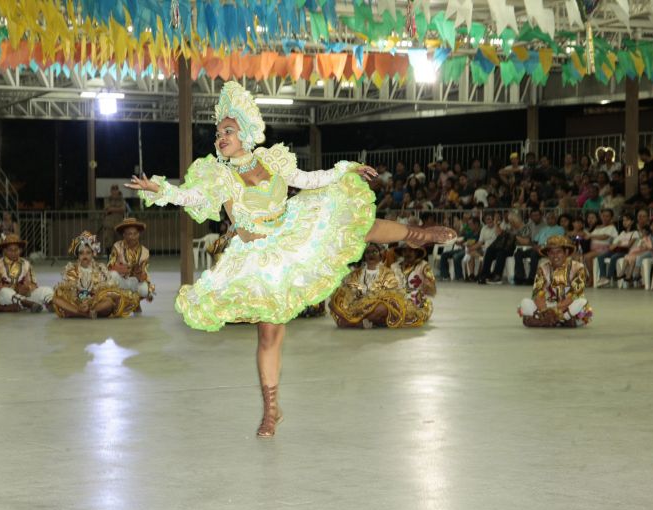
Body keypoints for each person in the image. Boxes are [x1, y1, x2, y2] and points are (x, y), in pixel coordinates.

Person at [126, 81, 455, 438]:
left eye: (229, 131)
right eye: (218, 132)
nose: (220, 137)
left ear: (246, 134)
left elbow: (309, 179)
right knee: (269, 335)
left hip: (293, 229)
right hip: (259, 255)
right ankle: (271, 410)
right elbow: (191, 196)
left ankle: (420, 234)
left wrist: (344, 169)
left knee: (354, 222)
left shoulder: (272, 159)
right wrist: (161, 190)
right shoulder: (220, 176)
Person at [51, 231, 140, 319]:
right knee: (56, 299)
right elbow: (70, 290)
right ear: (78, 255)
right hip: (77, 303)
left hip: (95, 302)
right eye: (81, 253)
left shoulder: (100, 268)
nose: (84, 256)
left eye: (88, 253)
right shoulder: (71, 269)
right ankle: (84, 314)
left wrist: (90, 302)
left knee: (108, 302)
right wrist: (80, 304)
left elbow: (106, 289)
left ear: (93, 254)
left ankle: (84, 312)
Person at [328, 243, 409, 329]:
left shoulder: (389, 273)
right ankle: (363, 321)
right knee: (334, 302)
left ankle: (355, 323)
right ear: (364, 256)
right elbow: (350, 290)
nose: (371, 254)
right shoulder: (356, 274)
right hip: (358, 306)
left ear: (380, 254)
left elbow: (393, 294)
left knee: (383, 308)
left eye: (374, 251)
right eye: (368, 252)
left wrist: (373, 300)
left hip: (377, 308)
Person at [518, 235, 592, 327]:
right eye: (551, 252)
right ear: (548, 254)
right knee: (525, 302)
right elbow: (537, 294)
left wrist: (556, 311)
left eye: (559, 252)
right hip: (548, 307)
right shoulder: (542, 268)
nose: (555, 256)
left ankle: (543, 321)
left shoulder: (578, 268)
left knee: (582, 303)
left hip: (568, 307)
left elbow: (574, 295)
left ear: (566, 252)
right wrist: (545, 311)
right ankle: (561, 321)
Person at [0, 233, 54, 312]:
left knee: (46, 290)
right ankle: (28, 304)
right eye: (10, 250)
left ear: (20, 250)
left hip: (26, 297)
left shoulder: (26, 264)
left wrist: (28, 288)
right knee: (3, 292)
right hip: (8, 299)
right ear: (5, 251)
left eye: (16, 250)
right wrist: (15, 289)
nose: (13, 253)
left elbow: (34, 284)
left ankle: (53, 305)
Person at [107, 217, 155, 306]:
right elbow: (110, 266)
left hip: (135, 281)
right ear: (124, 235)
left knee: (145, 290)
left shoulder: (145, 251)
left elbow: (144, 274)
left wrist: (140, 274)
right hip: (121, 280)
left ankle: (136, 304)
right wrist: (123, 269)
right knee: (112, 275)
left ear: (139, 234)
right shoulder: (117, 246)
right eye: (129, 234)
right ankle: (118, 302)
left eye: (135, 234)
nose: (132, 237)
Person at [391, 243, 436, 326]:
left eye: (411, 250)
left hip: (418, 303)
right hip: (397, 301)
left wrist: (428, 286)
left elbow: (433, 291)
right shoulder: (394, 266)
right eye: (405, 250)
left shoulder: (424, 266)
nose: (408, 253)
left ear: (416, 252)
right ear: (402, 252)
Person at [514, 211, 564, 285]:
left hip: (549, 250)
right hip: (538, 248)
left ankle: (532, 278)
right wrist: (535, 246)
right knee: (518, 253)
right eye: (548, 218)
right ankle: (520, 277)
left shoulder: (560, 229)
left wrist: (543, 247)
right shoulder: (543, 229)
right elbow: (535, 241)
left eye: (552, 218)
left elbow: (559, 242)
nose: (550, 220)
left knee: (534, 254)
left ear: (556, 219)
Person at [595, 213, 638, 287]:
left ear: (632, 222)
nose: (624, 222)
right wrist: (617, 244)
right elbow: (613, 245)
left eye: (627, 220)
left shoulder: (635, 233)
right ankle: (603, 277)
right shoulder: (622, 233)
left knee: (614, 257)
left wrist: (618, 244)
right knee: (600, 257)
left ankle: (608, 277)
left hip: (627, 252)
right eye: (624, 220)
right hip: (617, 250)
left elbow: (628, 245)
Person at [102, 184, 127, 252]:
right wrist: (118, 209)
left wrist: (112, 209)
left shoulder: (121, 199)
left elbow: (123, 209)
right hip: (109, 224)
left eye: (116, 189)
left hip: (119, 224)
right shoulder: (108, 199)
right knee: (109, 243)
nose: (115, 191)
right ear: (111, 191)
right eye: (113, 190)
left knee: (119, 243)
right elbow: (107, 209)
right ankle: (109, 259)